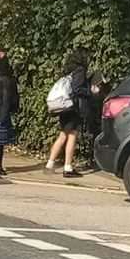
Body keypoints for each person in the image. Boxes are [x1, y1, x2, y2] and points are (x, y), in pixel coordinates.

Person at [46, 49, 92, 178]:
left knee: (62, 136)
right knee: (72, 136)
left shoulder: (69, 71)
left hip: (64, 107)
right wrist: (89, 91)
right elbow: (77, 89)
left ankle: (49, 164)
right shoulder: (80, 71)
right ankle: (67, 167)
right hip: (73, 108)